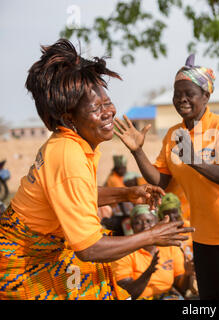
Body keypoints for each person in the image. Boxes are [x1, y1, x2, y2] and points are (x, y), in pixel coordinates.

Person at [0, 39, 193, 300]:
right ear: (70, 119)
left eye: (108, 103)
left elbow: (77, 194)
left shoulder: (78, 144)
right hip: (22, 263)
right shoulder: (68, 155)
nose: (109, 112)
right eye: (96, 108)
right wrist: (152, 235)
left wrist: (126, 194)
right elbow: (88, 248)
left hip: (48, 249)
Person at [114, 54, 219, 300]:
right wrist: (137, 150)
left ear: (206, 96)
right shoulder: (174, 134)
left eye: (189, 93)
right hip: (202, 233)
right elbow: (160, 181)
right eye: (177, 94)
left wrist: (194, 160)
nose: (181, 99)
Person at [112, 205, 196, 300]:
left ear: (157, 223)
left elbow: (181, 287)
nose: (145, 226)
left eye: (149, 221)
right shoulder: (124, 252)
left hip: (168, 296)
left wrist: (188, 274)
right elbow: (127, 294)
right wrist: (148, 272)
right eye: (138, 222)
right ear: (132, 227)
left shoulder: (170, 247)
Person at [102, 155, 133, 235]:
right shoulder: (113, 179)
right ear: (116, 169)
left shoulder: (121, 177)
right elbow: (124, 194)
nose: (123, 170)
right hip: (115, 208)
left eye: (124, 168)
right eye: (120, 168)